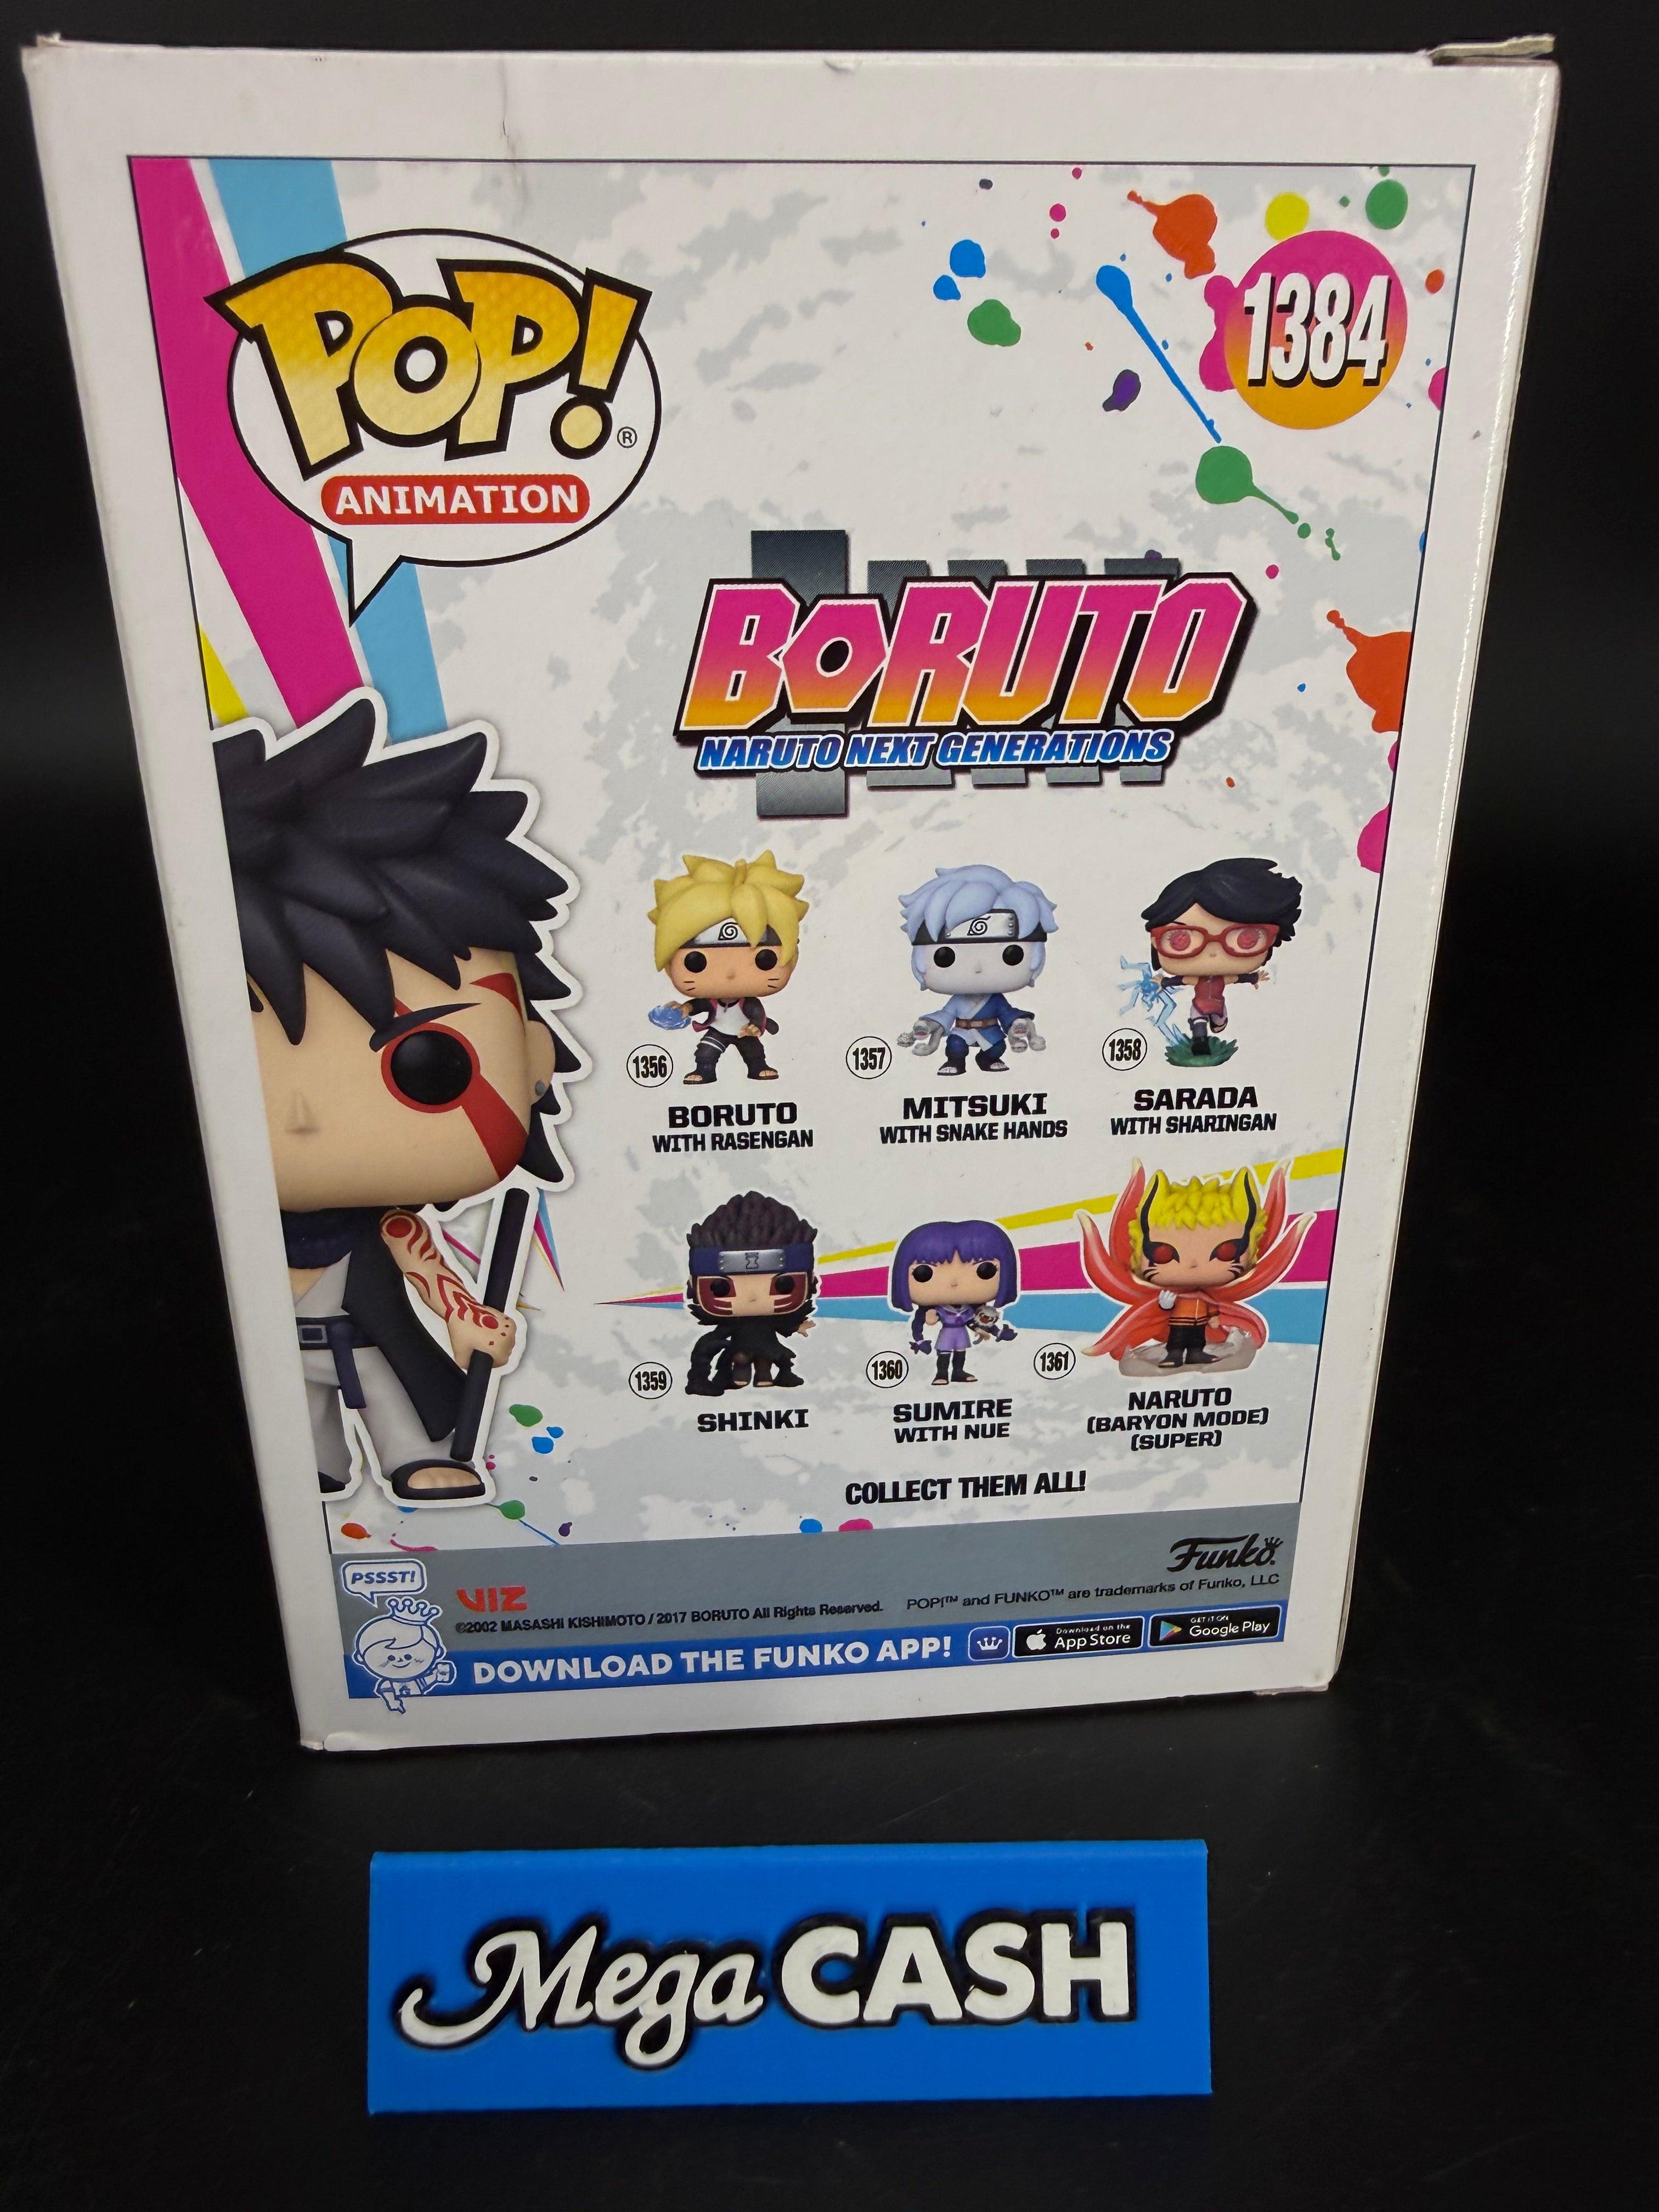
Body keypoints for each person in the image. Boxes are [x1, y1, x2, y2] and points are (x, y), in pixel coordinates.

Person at [217, 689, 583, 1503]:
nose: (301, 1116)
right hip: (277, 1368)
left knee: (396, 1401)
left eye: (427, 1066)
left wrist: (469, 1321)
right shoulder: (234, 1237)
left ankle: (413, 1454)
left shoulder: (388, 1227)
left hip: (369, 1342)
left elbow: (432, 1277)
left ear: (532, 1056)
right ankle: (311, 1464)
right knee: (299, 1443)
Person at [648, 852, 807, 1084]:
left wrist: (756, 1027)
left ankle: (758, 1068)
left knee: (754, 1053)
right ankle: (705, 1071)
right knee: (706, 1052)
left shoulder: (749, 1003)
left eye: (764, 960)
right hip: (719, 1029)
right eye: (696, 962)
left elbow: (757, 1013)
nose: (731, 974)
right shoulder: (712, 1000)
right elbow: (699, 1005)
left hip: (744, 1030)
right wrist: (685, 1008)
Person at [896, 864, 1057, 1077]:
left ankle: (988, 1060)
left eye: (1011, 954)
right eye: (945, 957)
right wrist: (929, 1024)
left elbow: (1007, 1014)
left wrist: (1018, 1026)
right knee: (955, 1045)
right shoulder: (959, 1002)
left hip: (990, 1032)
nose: (978, 968)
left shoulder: (995, 1001)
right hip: (962, 1031)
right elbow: (947, 1014)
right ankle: (956, 1062)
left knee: (997, 1047)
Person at [1141, 855, 1301, 1060]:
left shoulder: (1221, 978)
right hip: (1199, 1003)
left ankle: (1219, 1023)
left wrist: (1254, 978)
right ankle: (1200, 1040)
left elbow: (1236, 978)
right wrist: (1163, 982)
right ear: (1156, 941)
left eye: (1246, 938)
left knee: (1219, 1017)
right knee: (1197, 1017)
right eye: (1181, 939)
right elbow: (1182, 980)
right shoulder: (1198, 978)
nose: (1213, 952)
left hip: (1218, 1003)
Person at [683, 1192, 817, 1395]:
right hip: (740, 1351)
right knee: (741, 1359)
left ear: (810, 1281)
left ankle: (763, 1376)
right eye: (721, 1288)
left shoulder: (771, 1320)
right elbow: (712, 1342)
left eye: (783, 1285)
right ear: (693, 1286)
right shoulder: (731, 1325)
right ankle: (741, 1377)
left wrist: (797, 1325)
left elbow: (782, 1325)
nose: (753, 1297)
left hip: (766, 1347)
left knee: (765, 1362)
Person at [890, 1220, 1020, 1384]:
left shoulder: (970, 1310)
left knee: (960, 1352)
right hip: (947, 1333)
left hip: (960, 1333)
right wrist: (920, 1339)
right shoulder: (938, 1309)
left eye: (985, 1270)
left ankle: (958, 1372)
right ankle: (942, 1374)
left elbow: (979, 1322)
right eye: (924, 1273)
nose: (954, 1283)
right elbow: (920, 1324)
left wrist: (998, 1333)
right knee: (944, 1352)